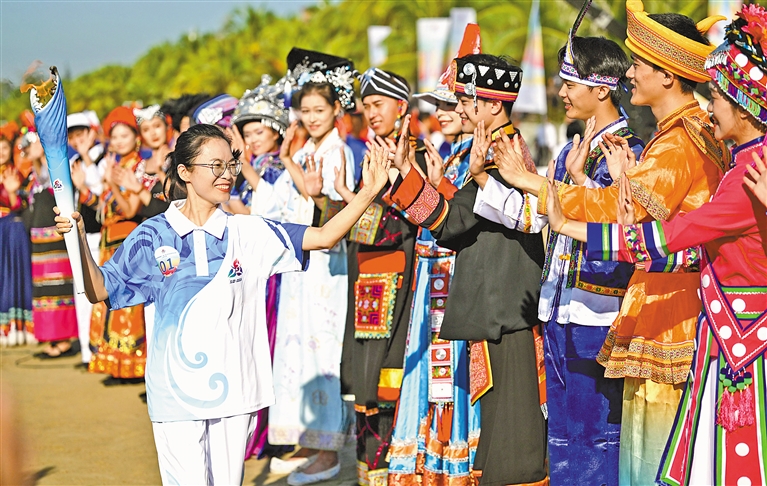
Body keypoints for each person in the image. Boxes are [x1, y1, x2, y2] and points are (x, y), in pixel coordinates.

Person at [54, 123, 392, 486]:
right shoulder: (152, 235)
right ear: (185, 172)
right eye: (215, 166)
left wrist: (367, 192)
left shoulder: (248, 232)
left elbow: (324, 237)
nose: (227, 174)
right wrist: (78, 241)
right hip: (174, 392)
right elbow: (99, 289)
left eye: (231, 164)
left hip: (236, 392)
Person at [492, 2, 729, 481]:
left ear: (667, 76)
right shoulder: (674, 135)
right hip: (655, 307)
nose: (630, 74)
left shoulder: (678, 143)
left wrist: (531, 183)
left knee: (644, 454)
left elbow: (621, 217)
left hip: (667, 315)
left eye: (638, 64)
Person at [547, 8, 767, 484]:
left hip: (723, 330)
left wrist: (558, 211)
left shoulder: (736, 166)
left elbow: (670, 235)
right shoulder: (739, 160)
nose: (711, 107)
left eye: (718, 97)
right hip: (720, 326)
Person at [471, 7, 645, 481]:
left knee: (596, 437)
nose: (561, 92)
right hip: (559, 307)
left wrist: (539, 180)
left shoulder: (629, 150)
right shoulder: (571, 148)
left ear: (601, 89)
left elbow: (614, 223)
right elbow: (539, 218)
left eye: (570, 84)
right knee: (563, 436)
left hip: (599, 310)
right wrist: (488, 179)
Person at [387, 52, 547, 485]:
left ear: (491, 104)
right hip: (501, 304)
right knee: (502, 421)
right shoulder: (498, 146)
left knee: (512, 430)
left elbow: (453, 221)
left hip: (505, 305)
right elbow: (460, 219)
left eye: (464, 100)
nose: (458, 109)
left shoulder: (500, 153)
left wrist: (407, 176)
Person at [387, 24, 482, 485]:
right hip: (434, 273)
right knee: (432, 371)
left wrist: (428, 180)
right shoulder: (454, 153)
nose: (444, 113)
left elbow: (461, 219)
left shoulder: (481, 155)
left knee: (453, 374)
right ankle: (434, 457)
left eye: (452, 103)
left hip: (457, 274)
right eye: (440, 106)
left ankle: (455, 457)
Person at [258, 49, 358, 485]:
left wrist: (316, 194)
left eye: (320, 109)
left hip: (327, 270)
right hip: (302, 267)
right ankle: (307, 438)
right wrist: (286, 162)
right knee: (298, 349)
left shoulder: (340, 152)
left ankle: (327, 450)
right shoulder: (308, 151)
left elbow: (342, 213)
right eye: (306, 110)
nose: (312, 117)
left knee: (322, 352)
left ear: (336, 109)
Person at [346, 66, 425, 484]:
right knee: (367, 379)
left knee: (389, 378)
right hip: (368, 282)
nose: (372, 113)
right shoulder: (369, 153)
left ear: (400, 106)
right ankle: (371, 471)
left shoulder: (417, 156)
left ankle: (394, 470)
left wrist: (363, 201)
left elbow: (403, 225)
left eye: (378, 104)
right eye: (366, 106)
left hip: (400, 281)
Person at [78, 106, 146, 381]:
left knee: (127, 304)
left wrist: (113, 185)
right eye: (114, 136)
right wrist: (83, 189)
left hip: (128, 242)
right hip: (110, 242)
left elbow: (128, 209)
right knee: (110, 301)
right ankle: (116, 364)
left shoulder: (138, 167)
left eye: (124, 135)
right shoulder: (116, 166)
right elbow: (103, 210)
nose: (119, 141)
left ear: (136, 137)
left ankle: (132, 365)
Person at [22, 130, 79, 357]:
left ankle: (64, 339)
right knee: (44, 291)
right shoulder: (32, 174)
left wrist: (42, 154)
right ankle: (51, 336)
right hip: (39, 239)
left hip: (56, 237)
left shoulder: (57, 166)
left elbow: (51, 180)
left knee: (59, 286)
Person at [67, 111, 105, 365]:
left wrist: (83, 182)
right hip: (81, 236)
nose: (77, 140)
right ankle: (86, 351)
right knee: (81, 293)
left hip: (100, 236)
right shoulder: (74, 162)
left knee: (98, 292)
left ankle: (99, 349)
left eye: (81, 133)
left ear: (91, 132)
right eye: (72, 136)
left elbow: (100, 192)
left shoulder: (103, 157)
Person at [228, 75, 289, 216]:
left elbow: (257, 213)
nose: (253, 140)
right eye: (247, 135)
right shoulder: (254, 165)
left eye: (259, 132)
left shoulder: (279, 169)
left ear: (275, 133)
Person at [0, 122, 33, 346]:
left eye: (4, 148)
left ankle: (14, 327)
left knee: (10, 276)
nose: (1, 153)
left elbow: (18, 206)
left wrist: (12, 192)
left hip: (10, 230)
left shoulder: (16, 173)